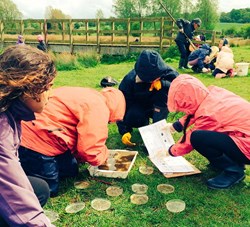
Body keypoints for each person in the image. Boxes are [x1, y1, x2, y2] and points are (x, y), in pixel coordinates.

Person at [19, 86, 125, 196]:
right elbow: (90, 150)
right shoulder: (99, 107)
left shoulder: (90, 94)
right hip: (35, 139)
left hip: (46, 131)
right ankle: (12, 176)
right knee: (49, 190)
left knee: (71, 172)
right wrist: (104, 156)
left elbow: (79, 134)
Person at [0, 45, 57, 226]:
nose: (50, 95)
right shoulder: (2, 131)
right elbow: (14, 197)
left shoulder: (10, 112)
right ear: (27, 89)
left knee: (38, 189)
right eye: (47, 88)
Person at [166, 74, 250, 189]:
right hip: (244, 136)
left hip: (247, 147)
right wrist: (177, 125)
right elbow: (195, 110)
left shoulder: (209, 114)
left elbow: (190, 139)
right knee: (213, 136)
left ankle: (234, 171)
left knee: (199, 138)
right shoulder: (213, 94)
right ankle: (231, 162)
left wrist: (171, 151)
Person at [117, 49, 179, 146]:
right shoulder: (129, 80)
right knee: (133, 116)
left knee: (163, 94)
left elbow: (179, 87)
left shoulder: (169, 72)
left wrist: (163, 84)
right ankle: (144, 126)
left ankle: (158, 128)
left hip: (160, 104)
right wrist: (124, 131)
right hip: (140, 105)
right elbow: (120, 106)